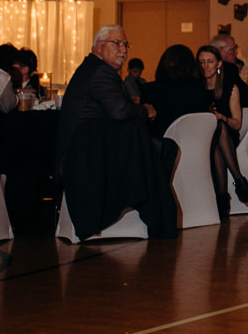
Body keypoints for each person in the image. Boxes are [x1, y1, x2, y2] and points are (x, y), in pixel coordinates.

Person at [55, 26, 177, 240]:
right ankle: (155, 215)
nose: (123, 50)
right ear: (99, 47)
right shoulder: (100, 71)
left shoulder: (91, 68)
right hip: (87, 158)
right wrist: (145, 111)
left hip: (90, 149)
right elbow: (120, 111)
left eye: (125, 45)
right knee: (159, 149)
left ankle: (153, 210)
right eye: (117, 43)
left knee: (157, 148)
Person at [198, 44, 248, 217]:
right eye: (202, 62)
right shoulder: (196, 88)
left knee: (219, 128)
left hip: (227, 136)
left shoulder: (230, 88)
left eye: (210, 62)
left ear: (218, 64)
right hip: (201, 136)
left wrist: (219, 116)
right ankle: (239, 181)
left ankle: (222, 197)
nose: (205, 66)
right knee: (214, 132)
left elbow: (236, 124)